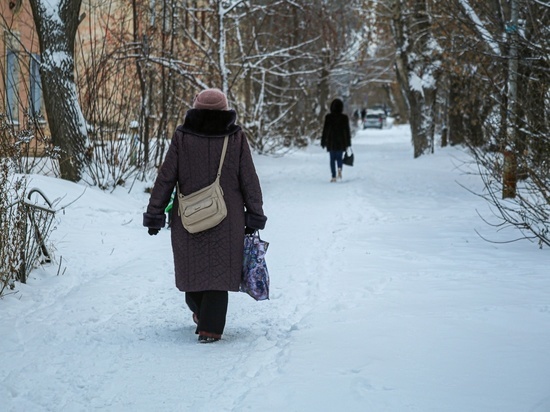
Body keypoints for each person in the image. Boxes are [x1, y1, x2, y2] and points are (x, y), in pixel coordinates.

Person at [143, 88, 267, 343]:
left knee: (193, 269)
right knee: (219, 272)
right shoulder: (235, 138)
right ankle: (209, 323)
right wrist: (254, 214)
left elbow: (166, 177)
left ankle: (205, 319)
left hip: (189, 216)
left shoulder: (182, 137)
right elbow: (249, 178)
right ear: (225, 110)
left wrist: (155, 212)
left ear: (196, 108)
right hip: (228, 216)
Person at [321, 98, 352, 182]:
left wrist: (323, 141)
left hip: (331, 141)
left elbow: (325, 130)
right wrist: (348, 143)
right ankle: (339, 169)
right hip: (341, 141)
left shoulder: (328, 117)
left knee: (332, 159)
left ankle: (333, 176)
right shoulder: (344, 118)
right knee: (339, 158)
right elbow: (347, 131)